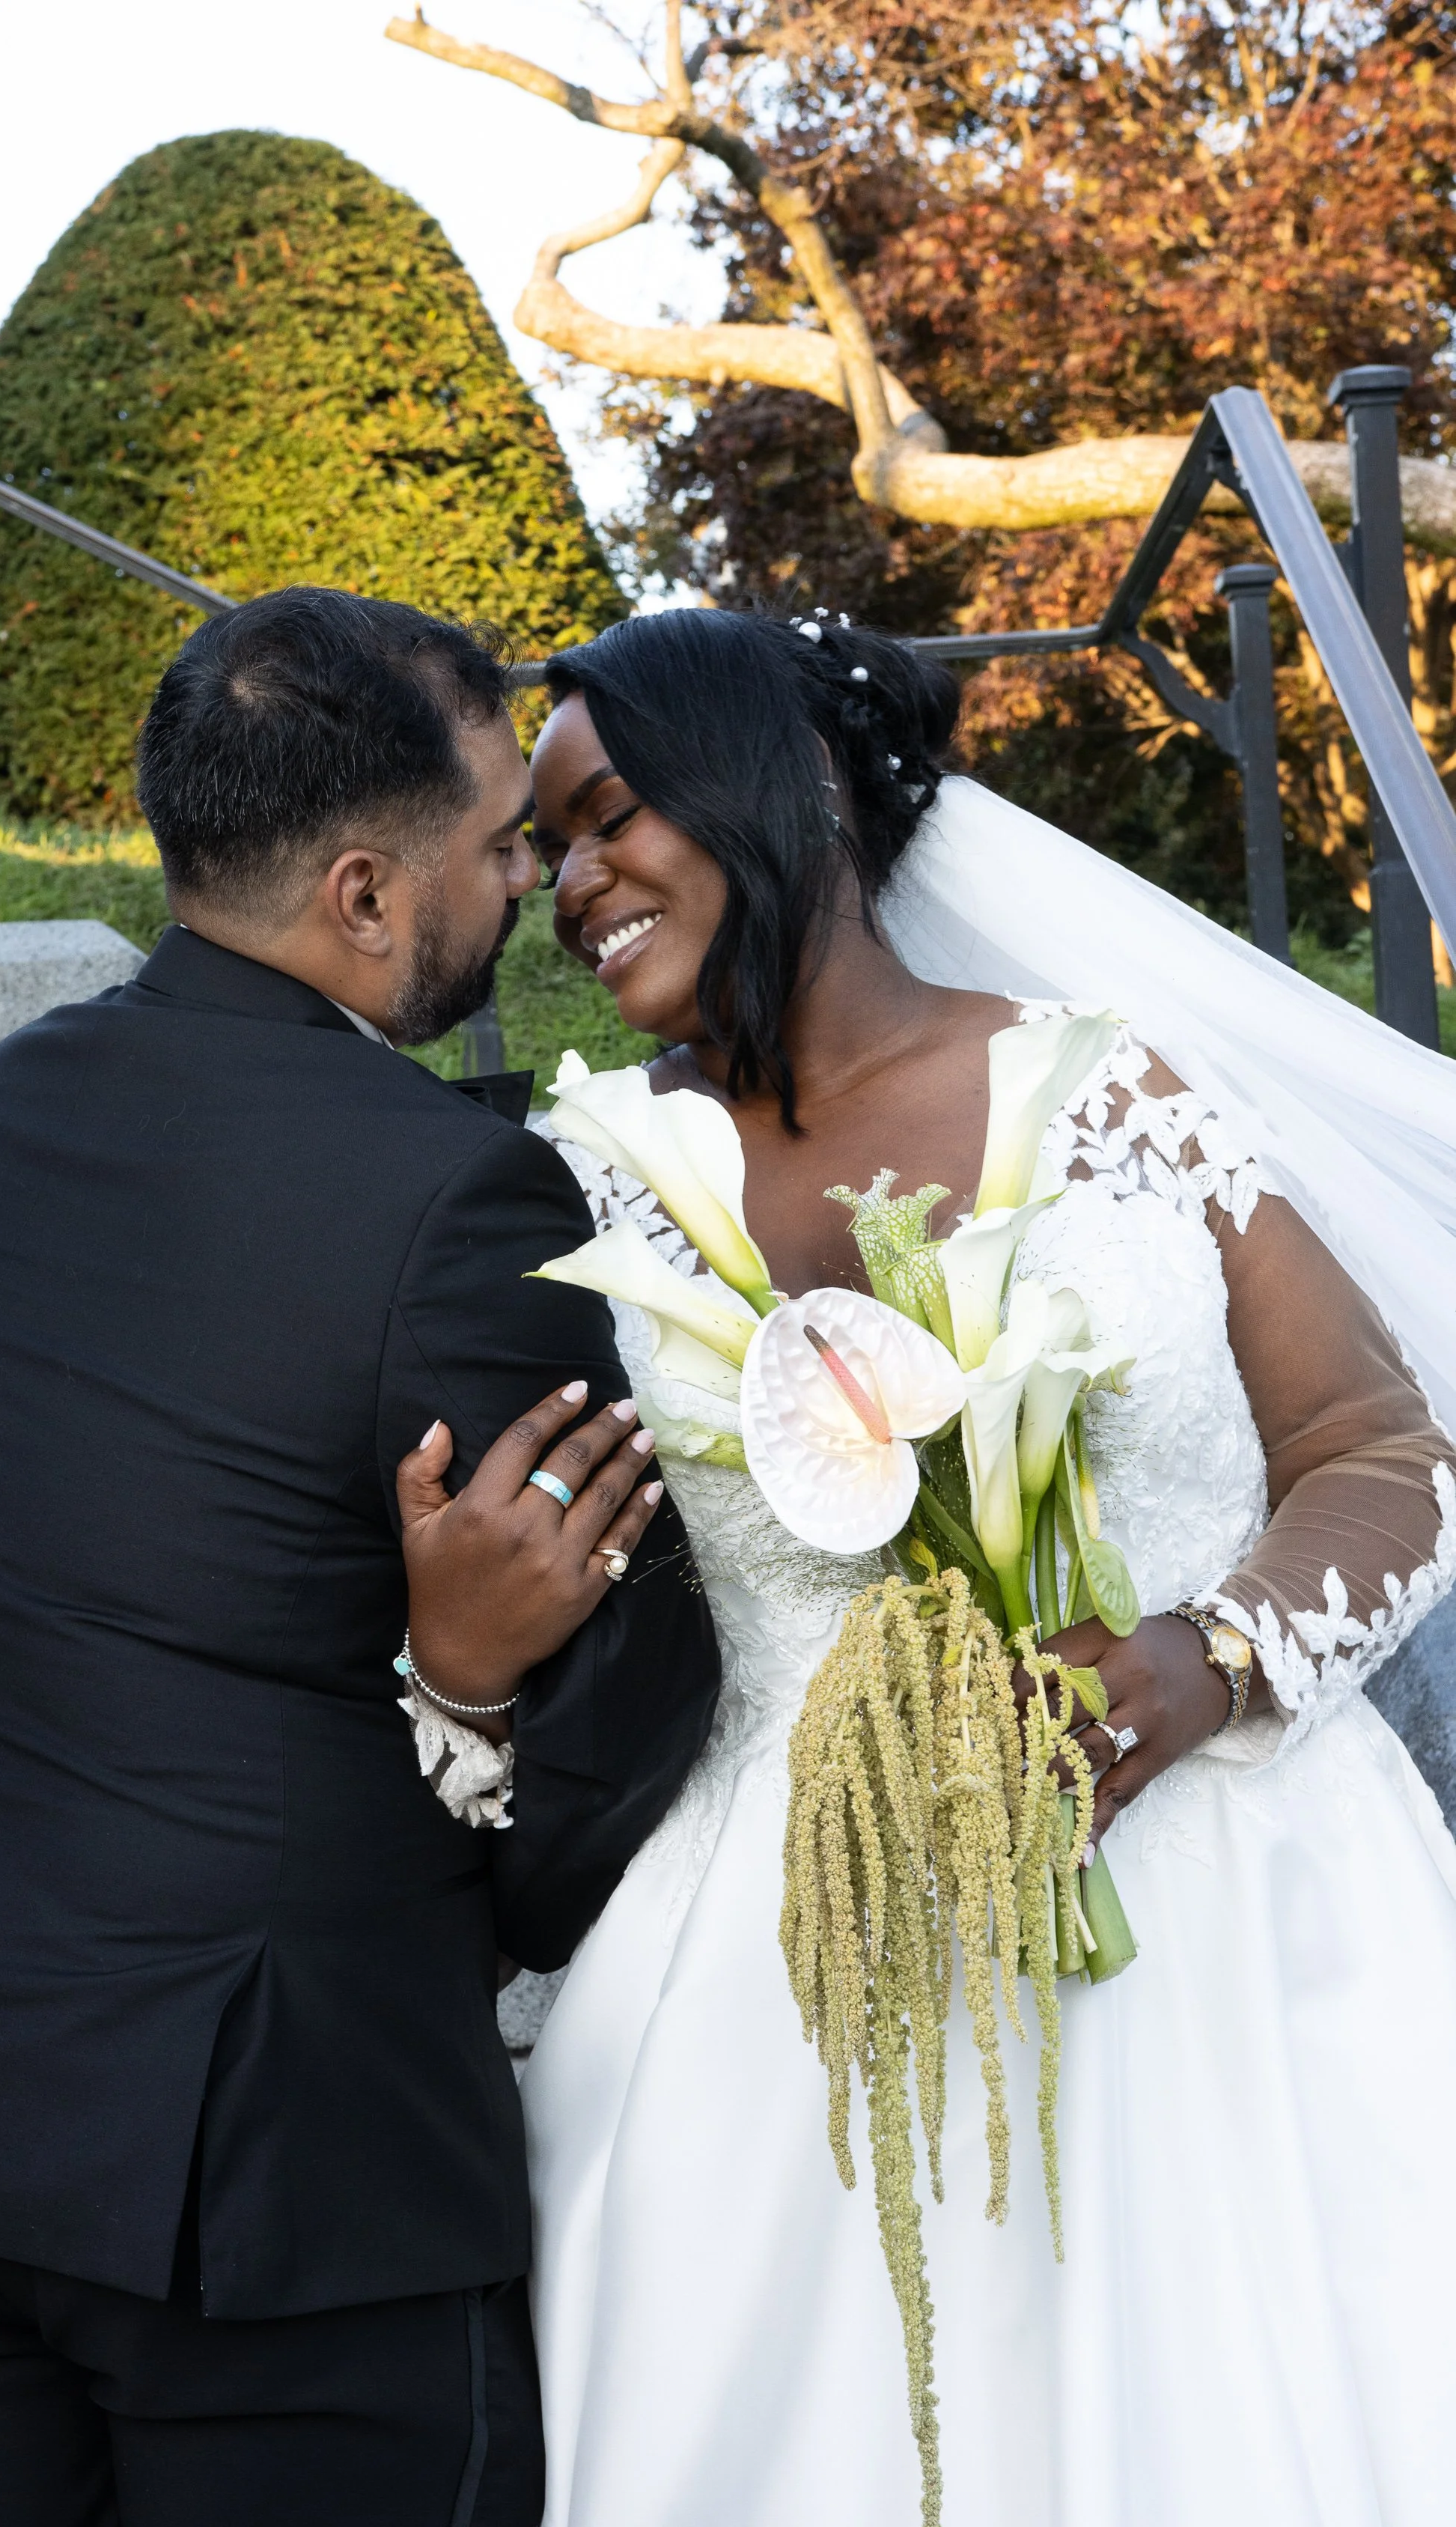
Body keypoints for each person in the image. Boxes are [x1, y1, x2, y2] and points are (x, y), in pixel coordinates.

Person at [0, 588, 720, 2527]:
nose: (525, 875)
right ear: (366, 895)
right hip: (256, 2201)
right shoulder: (454, 1193)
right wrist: (467, 1683)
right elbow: (610, 1718)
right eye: (496, 843)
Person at [520, 605, 1456, 2527]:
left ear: (769, 791)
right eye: (542, 850)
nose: (567, 884)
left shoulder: (1116, 1093)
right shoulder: (602, 1180)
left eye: (607, 817)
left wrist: (1211, 1658)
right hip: (799, 1956)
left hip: (1221, 1904)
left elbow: (1382, 1450)